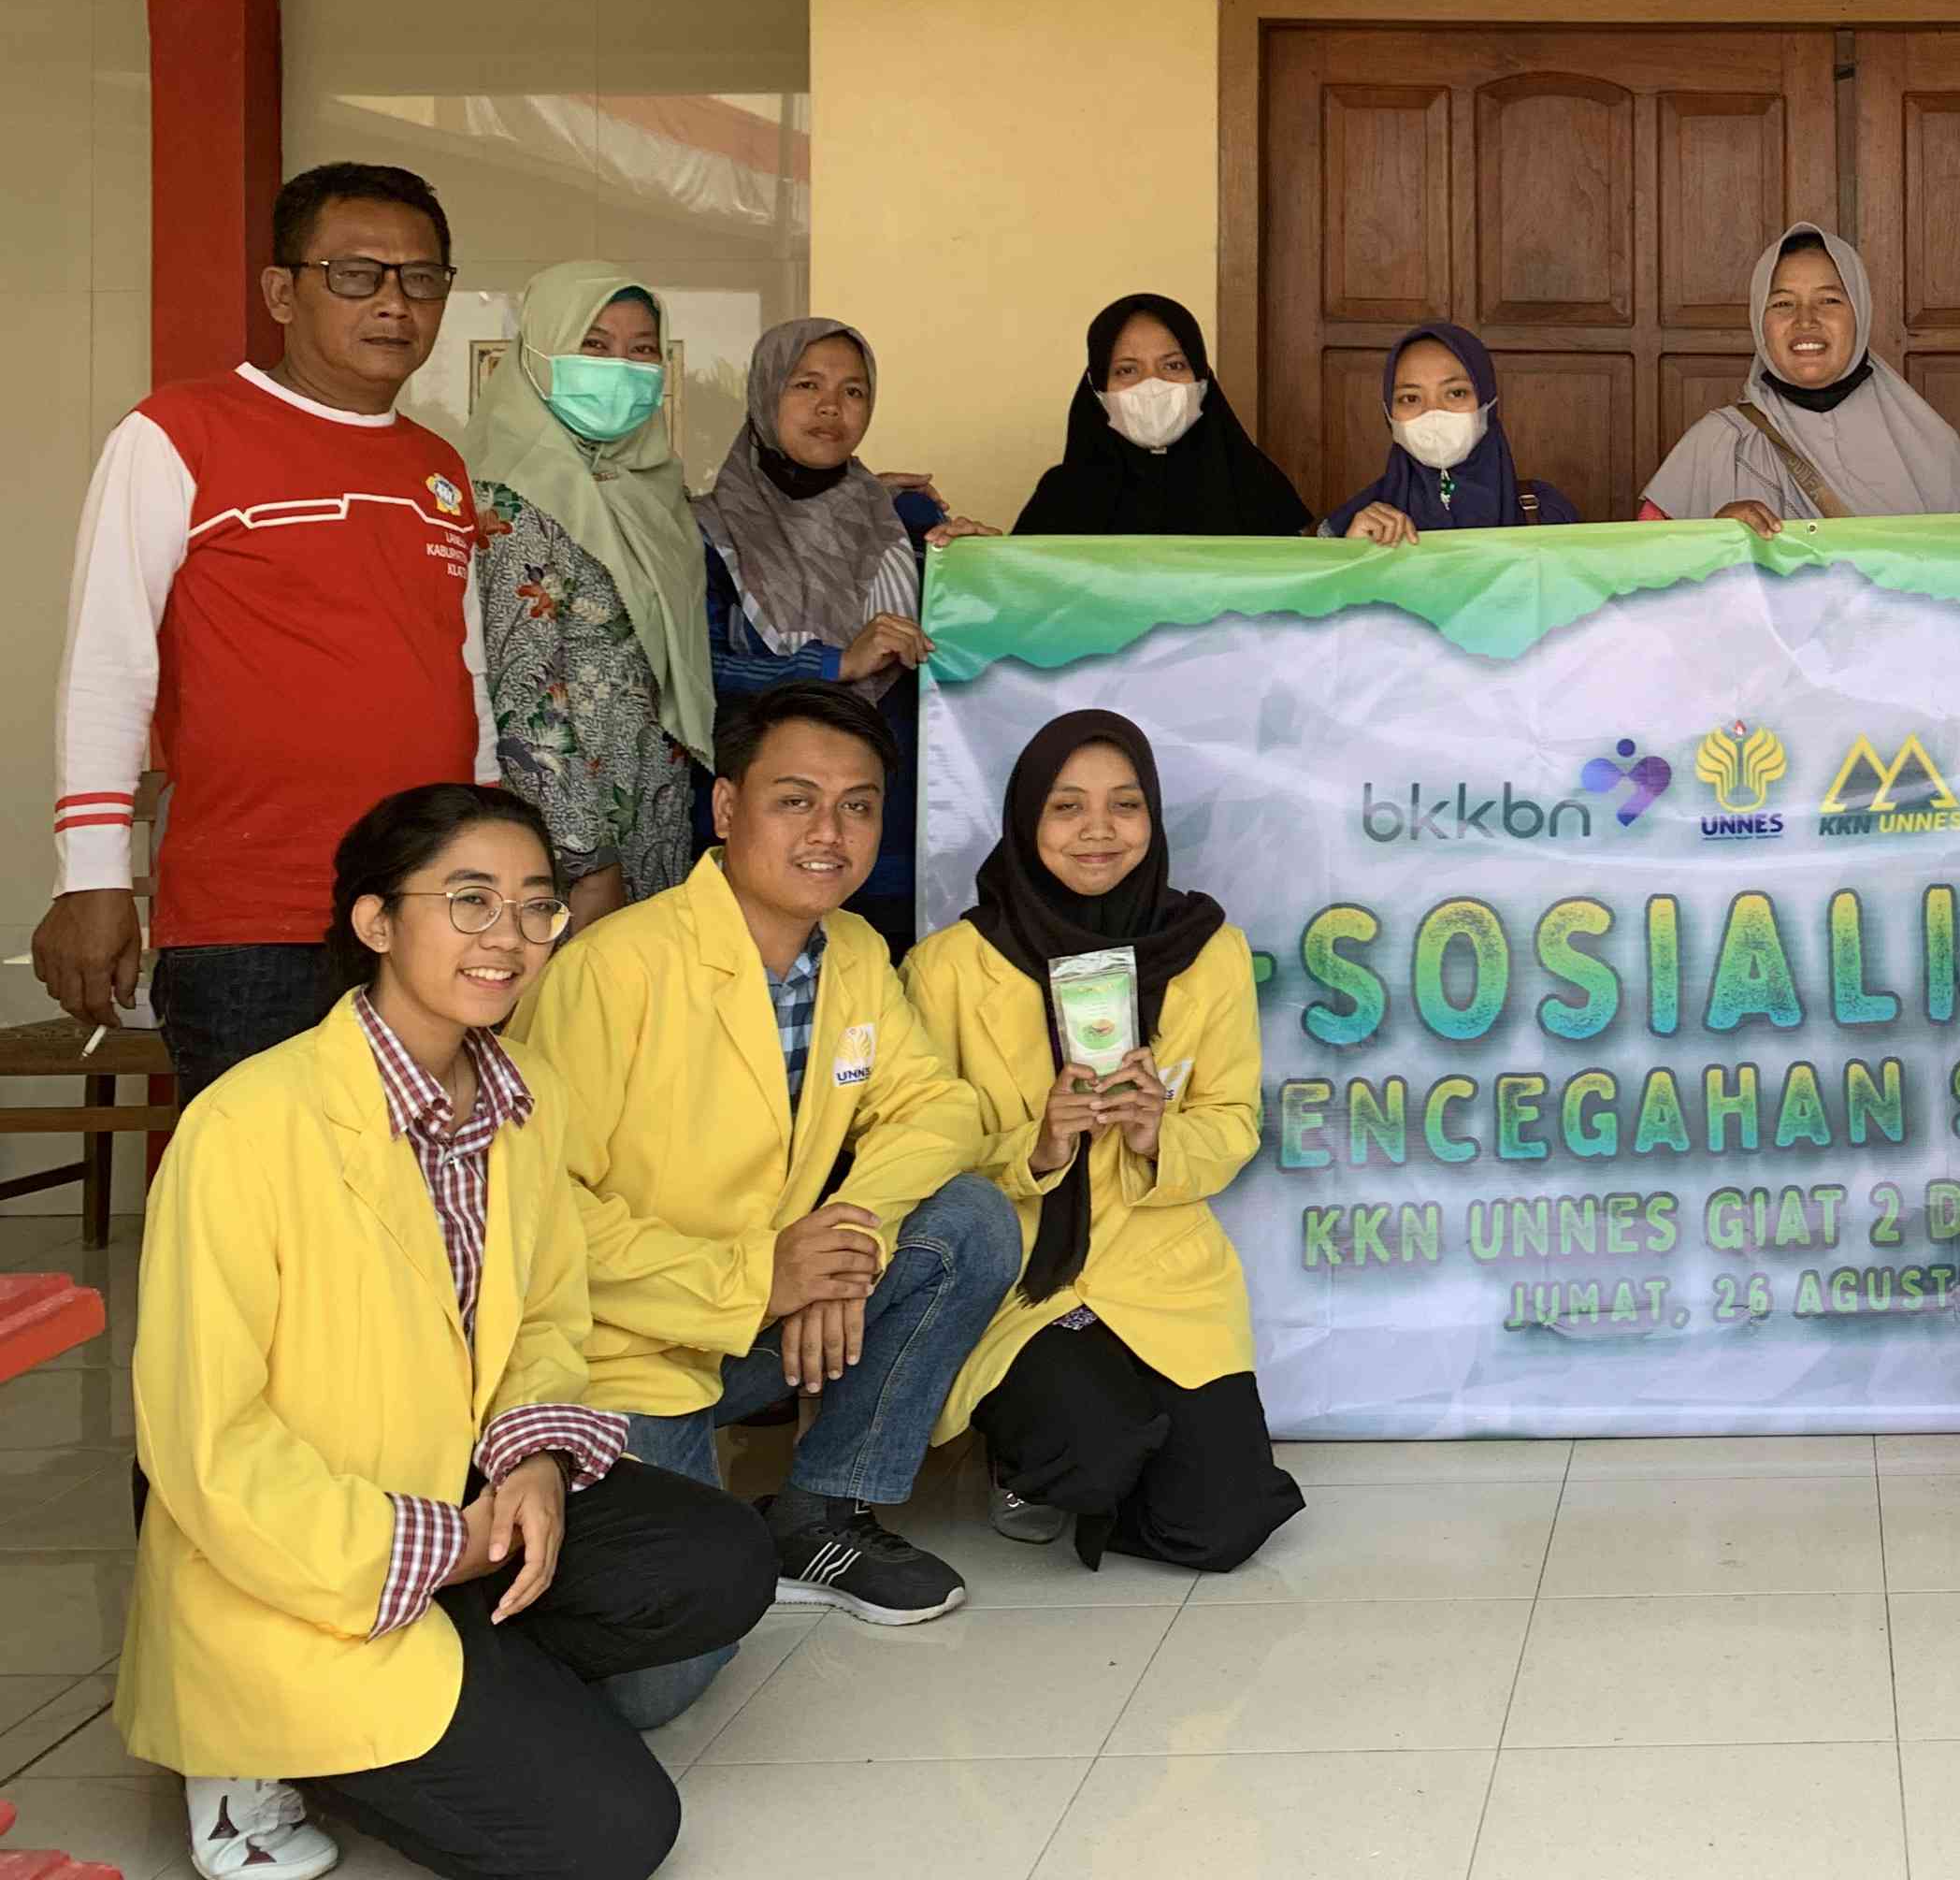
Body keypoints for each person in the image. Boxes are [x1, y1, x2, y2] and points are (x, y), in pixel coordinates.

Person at [119, 784, 770, 1880]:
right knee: (613, 1835)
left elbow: (550, 1315)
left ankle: (461, 1677)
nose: (507, 938)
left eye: (533, 908)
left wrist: (536, 1463)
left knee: (717, 1557)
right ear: (376, 923)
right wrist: (439, 1546)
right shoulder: (247, 1127)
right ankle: (254, 1751)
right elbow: (204, 1443)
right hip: (300, 1552)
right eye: (469, 902)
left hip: (461, 1493)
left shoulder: (524, 1099)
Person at [505, 682, 1016, 1727]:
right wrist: (762, 1276)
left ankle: (818, 1515)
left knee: (968, 1221)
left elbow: (940, 1109)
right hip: (626, 1349)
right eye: (797, 801)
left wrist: (847, 1236)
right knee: (655, 1681)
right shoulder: (613, 970)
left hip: (758, 1326)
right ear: (727, 808)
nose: (831, 833)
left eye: (859, 806)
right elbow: (539, 1214)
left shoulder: (855, 957)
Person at [36, 162, 494, 1095]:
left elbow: (468, 681)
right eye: (357, 274)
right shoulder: (179, 433)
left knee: (412, 1209)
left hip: (423, 916)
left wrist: (486, 877)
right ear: (283, 292)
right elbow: (106, 668)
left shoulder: (438, 467)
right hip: (253, 925)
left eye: (422, 278)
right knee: (265, 1220)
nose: (395, 304)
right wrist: (93, 879)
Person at [906, 711, 1306, 1569]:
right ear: (1025, 821)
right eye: (1066, 807)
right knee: (1093, 1445)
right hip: (1020, 1274)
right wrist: (1037, 1145)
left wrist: (1160, 1133)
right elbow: (917, 1147)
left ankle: (1119, 1456)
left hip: (1161, 1271)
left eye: (1125, 806)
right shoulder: (950, 966)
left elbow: (1234, 1122)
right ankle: (1040, 1462)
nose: (1099, 831)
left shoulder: (1206, 951)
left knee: (1225, 1528)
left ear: (1153, 820)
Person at [701, 318, 985, 947]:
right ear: (765, 392)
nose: (831, 407)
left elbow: (961, 659)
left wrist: (981, 577)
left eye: (853, 391)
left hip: (896, 820)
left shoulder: (906, 519)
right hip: (767, 827)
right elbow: (698, 669)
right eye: (806, 385)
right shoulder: (708, 528)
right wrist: (833, 664)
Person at [468, 264, 708, 926]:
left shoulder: (653, 489)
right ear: (538, 355)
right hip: (569, 839)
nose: (621, 368)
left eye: (642, 350)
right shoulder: (511, 498)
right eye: (594, 346)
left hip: (655, 810)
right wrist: (585, 860)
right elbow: (523, 698)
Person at [1640, 224, 1960, 528]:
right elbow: (1646, 581)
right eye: (1782, 304)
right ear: (1760, 323)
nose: (1805, 320)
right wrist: (1712, 540)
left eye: (1829, 301)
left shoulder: (1928, 444)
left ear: (1861, 313)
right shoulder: (1717, 445)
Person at [1015, 292, 1311, 540]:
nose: (1152, 385)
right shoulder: (1063, 496)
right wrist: (972, 552)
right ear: (1097, 391)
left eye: (1174, 366)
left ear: (1202, 378)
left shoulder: (1255, 487)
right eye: (1127, 370)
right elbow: (1021, 591)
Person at [1328, 322, 1575, 540]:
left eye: (1456, 393)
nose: (1433, 413)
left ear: (1487, 403)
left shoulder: (1544, 514)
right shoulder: (1355, 524)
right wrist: (1351, 560)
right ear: (1388, 413)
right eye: (1410, 398)